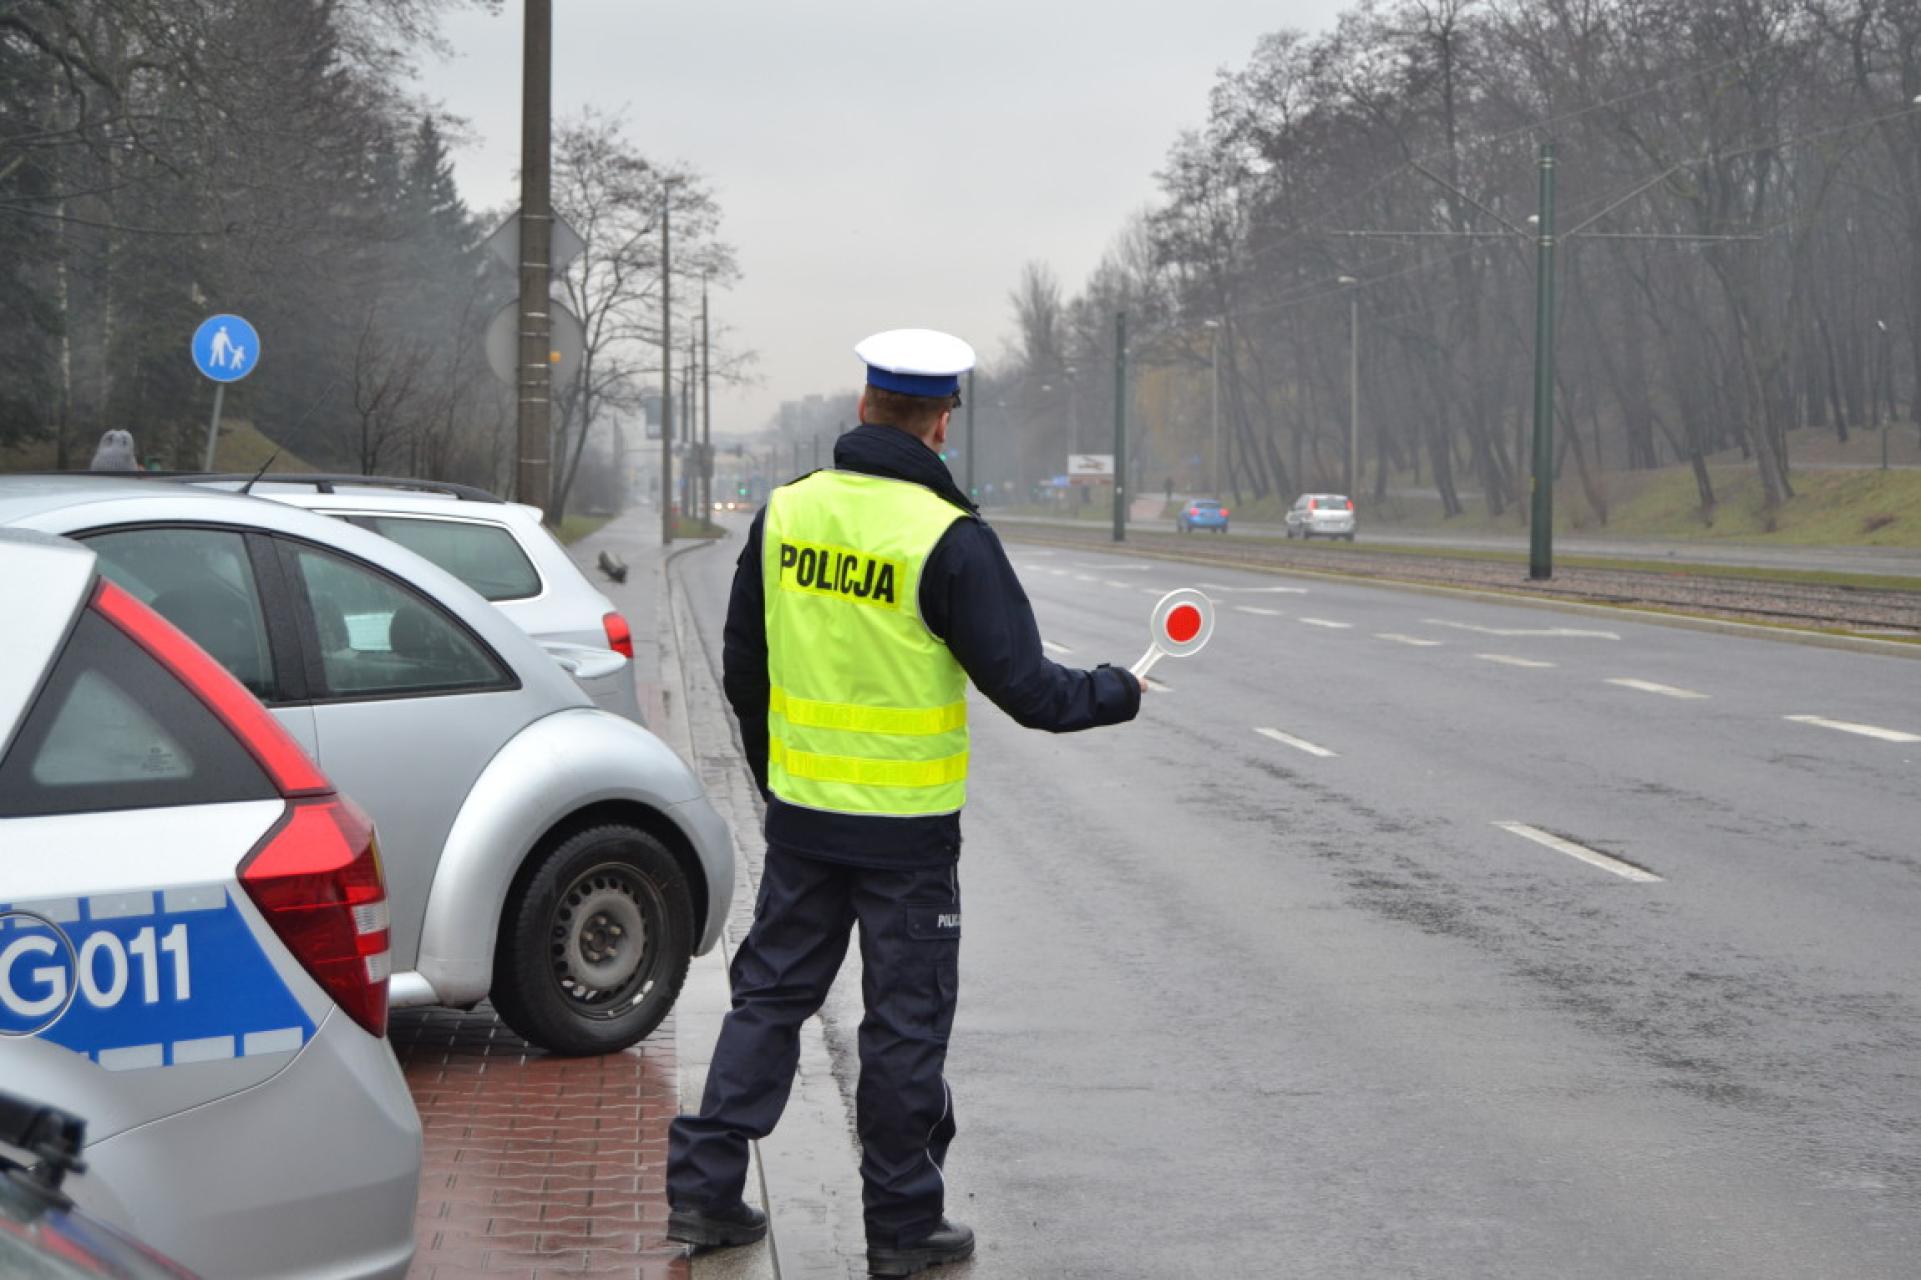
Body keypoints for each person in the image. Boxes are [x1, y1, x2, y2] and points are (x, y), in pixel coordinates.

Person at [667, 329, 1145, 1276]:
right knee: (903, 1026)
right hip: (907, 841)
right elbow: (1028, 691)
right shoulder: (947, 537)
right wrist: (1118, 690)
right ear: (940, 422)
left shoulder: (788, 513)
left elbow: (741, 663)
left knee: (767, 1000)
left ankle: (705, 1192)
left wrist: (781, 775)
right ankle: (900, 1227)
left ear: (861, 408)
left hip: (805, 820)